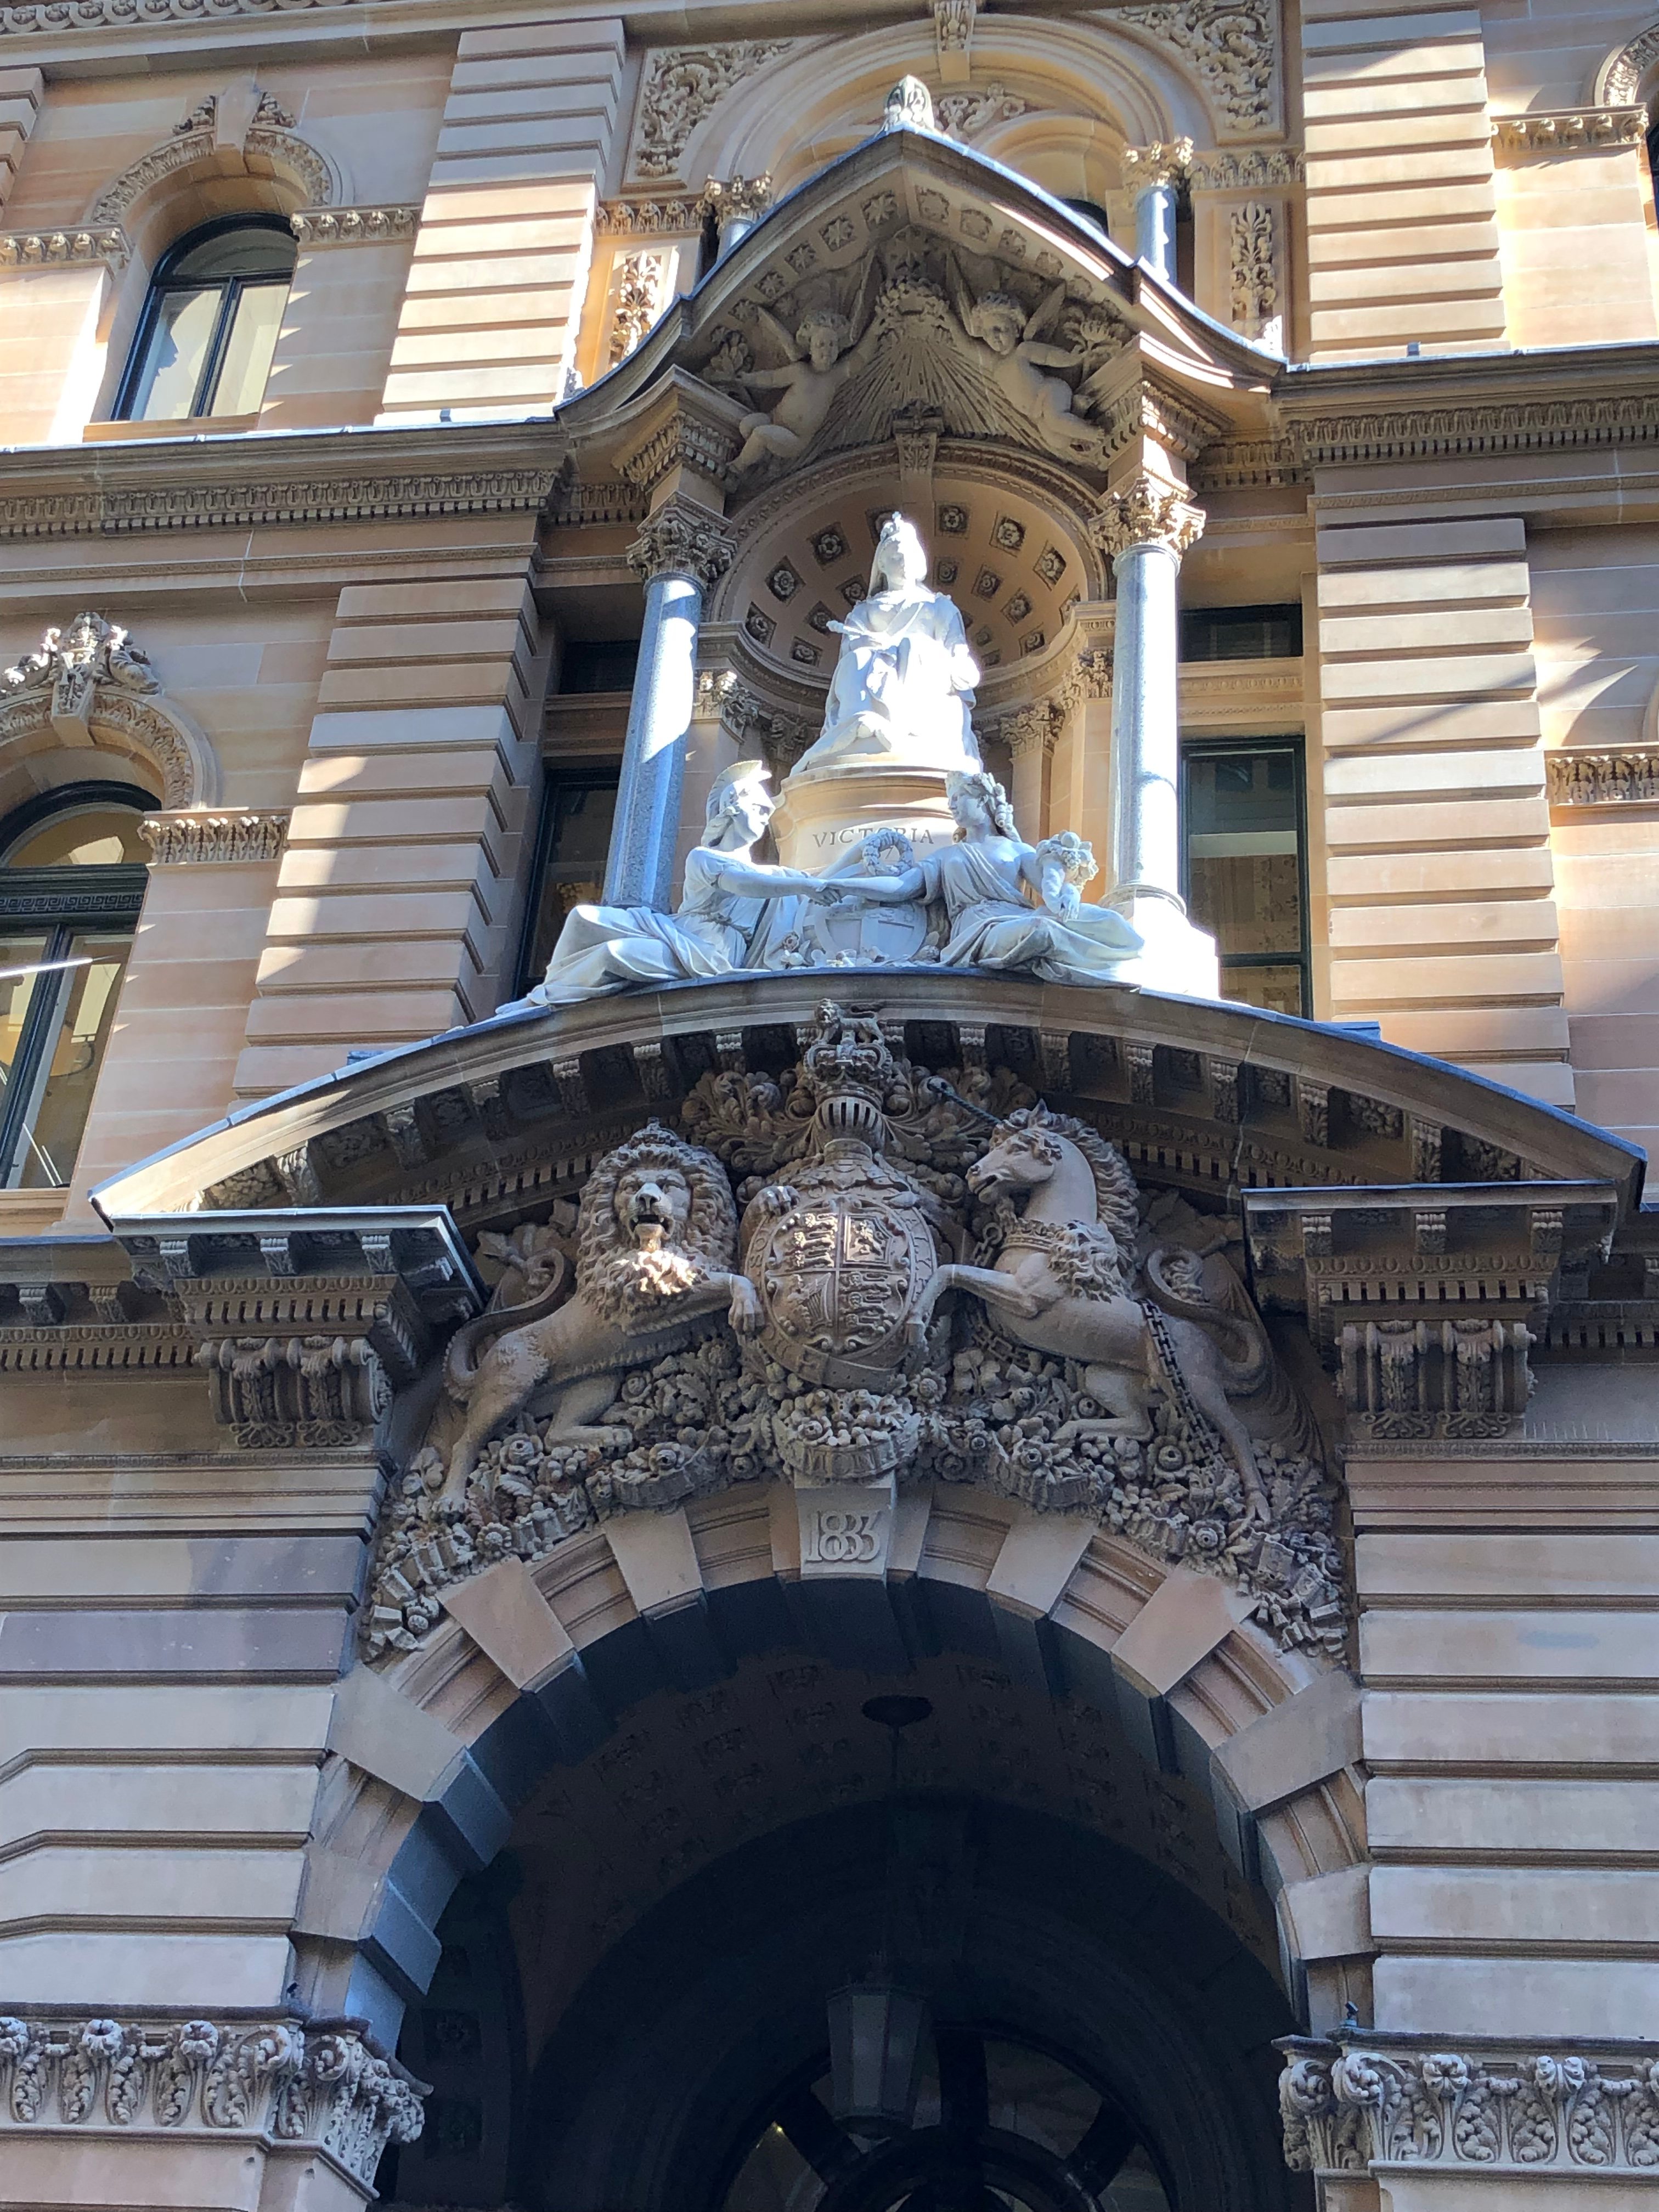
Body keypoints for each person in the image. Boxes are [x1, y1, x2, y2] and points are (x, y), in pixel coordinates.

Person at [527, 760, 842, 1006]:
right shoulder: (704, 857)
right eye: (759, 808)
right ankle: (543, 996)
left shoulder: (774, 875)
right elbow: (741, 883)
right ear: (732, 806)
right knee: (581, 916)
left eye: (768, 811)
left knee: (611, 954)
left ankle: (549, 1000)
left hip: (711, 952)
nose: (766, 816)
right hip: (682, 933)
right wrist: (805, 887)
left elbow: (829, 876)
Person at [845, 768, 1142, 982]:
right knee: (1041, 930)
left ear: (983, 800)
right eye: (950, 799)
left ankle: (1123, 970)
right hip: (977, 929)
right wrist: (836, 884)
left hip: (1017, 917)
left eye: (959, 796)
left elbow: (1051, 889)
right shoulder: (947, 855)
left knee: (1109, 921)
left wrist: (1069, 894)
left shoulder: (1018, 849)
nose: (951, 804)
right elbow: (900, 887)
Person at [789, 512, 983, 776]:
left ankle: (904, 728)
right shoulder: (864, 611)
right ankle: (859, 727)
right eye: (895, 557)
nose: (903, 563)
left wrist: (901, 648)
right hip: (869, 671)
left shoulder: (939, 607)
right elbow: (851, 648)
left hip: (924, 674)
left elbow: (957, 655)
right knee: (856, 661)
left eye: (908, 557)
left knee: (914, 645)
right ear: (881, 564)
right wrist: (873, 646)